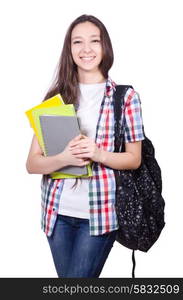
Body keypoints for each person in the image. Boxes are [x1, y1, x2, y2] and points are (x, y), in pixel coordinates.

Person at [26, 14, 145, 278]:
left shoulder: (125, 98)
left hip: (100, 216)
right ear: (69, 50)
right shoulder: (56, 99)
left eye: (94, 40)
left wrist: (98, 153)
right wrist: (63, 157)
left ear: (105, 47)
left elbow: (134, 158)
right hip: (56, 214)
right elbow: (32, 164)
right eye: (77, 42)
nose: (86, 49)